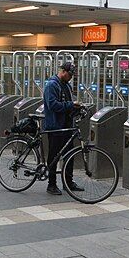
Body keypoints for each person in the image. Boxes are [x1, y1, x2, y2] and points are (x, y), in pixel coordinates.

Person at [42, 62, 83, 195]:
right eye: (69, 75)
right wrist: (71, 104)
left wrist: (76, 107)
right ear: (63, 72)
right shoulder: (51, 85)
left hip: (67, 126)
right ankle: (51, 184)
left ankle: (68, 182)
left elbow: (67, 103)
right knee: (54, 155)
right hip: (55, 126)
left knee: (69, 154)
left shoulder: (67, 86)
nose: (70, 77)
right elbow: (53, 105)